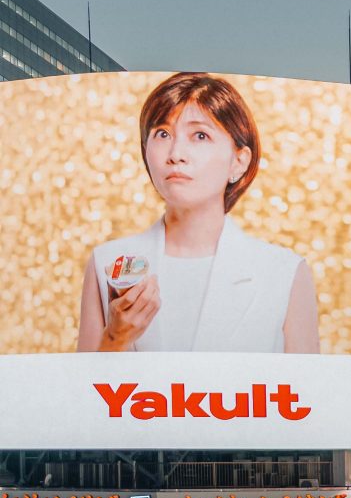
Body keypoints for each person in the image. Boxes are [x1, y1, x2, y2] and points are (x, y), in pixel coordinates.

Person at [77, 73, 320, 355]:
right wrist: (116, 339)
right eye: (163, 134)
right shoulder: (107, 262)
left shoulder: (284, 272)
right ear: (145, 151)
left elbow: (306, 393)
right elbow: (84, 395)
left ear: (239, 162)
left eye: (200, 135)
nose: (176, 153)